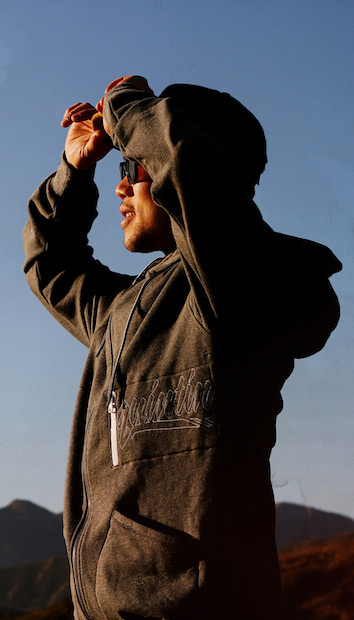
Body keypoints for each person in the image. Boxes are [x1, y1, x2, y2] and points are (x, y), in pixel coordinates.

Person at [22, 75, 341, 619]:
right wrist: (74, 172)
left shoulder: (247, 289)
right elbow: (50, 264)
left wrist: (126, 106)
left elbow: (195, 173)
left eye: (133, 167)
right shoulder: (121, 311)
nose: (121, 188)